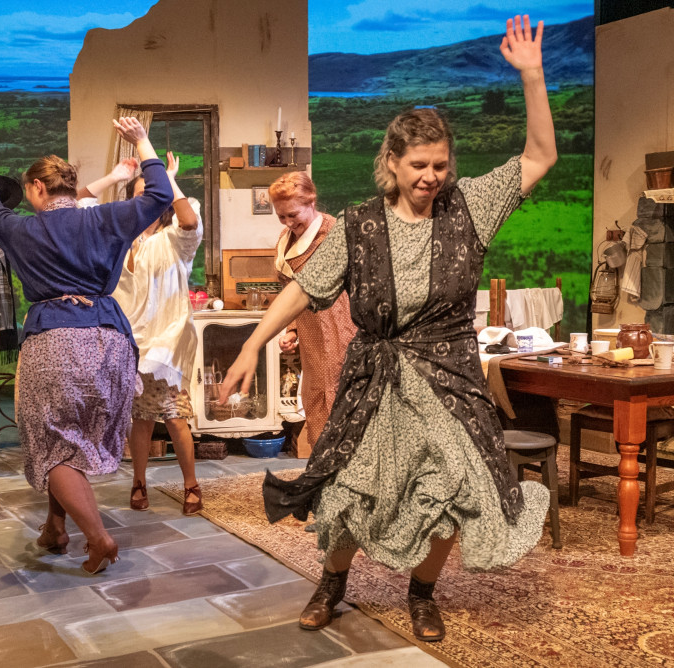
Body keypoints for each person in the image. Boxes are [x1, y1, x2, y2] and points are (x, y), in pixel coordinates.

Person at [219, 15, 557, 641]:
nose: (431, 177)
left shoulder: (469, 207)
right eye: (419, 165)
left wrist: (532, 76)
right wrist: (251, 343)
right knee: (352, 489)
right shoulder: (359, 226)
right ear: (392, 162)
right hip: (378, 378)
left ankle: (422, 592)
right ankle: (333, 581)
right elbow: (304, 288)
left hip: (449, 377)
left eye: (440, 165)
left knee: (452, 488)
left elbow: (540, 156)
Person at [0, 118, 173, 574]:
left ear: (38, 188)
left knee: (53, 445)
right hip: (111, 342)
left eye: (29, 191)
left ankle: (99, 538)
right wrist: (142, 142)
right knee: (68, 438)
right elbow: (161, 195)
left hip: (56, 343)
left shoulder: (23, 230)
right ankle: (55, 528)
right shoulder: (106, 218)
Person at [112, 151, 204, 515]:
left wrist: (169, 180)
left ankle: (191, 484)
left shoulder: (174, 239)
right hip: (132, 342)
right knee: (141, 417)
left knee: (175, 416)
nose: (148, 198)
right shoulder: (122, 238)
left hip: (167, 343)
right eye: (141, 193)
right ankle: (138, 482)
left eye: (154, 192)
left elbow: (190, 220)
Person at [270, 171, 357, 448]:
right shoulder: (286, 239)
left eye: (293, 214)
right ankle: (323, 464)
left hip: (340, 327)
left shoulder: (334, 234)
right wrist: (292, 329)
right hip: (311, 334)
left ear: (311, 201)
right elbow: (292, 292)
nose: (288, 222)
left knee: (341, 397)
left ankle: (344, 464)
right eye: (282, 216)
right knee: (316, 397)